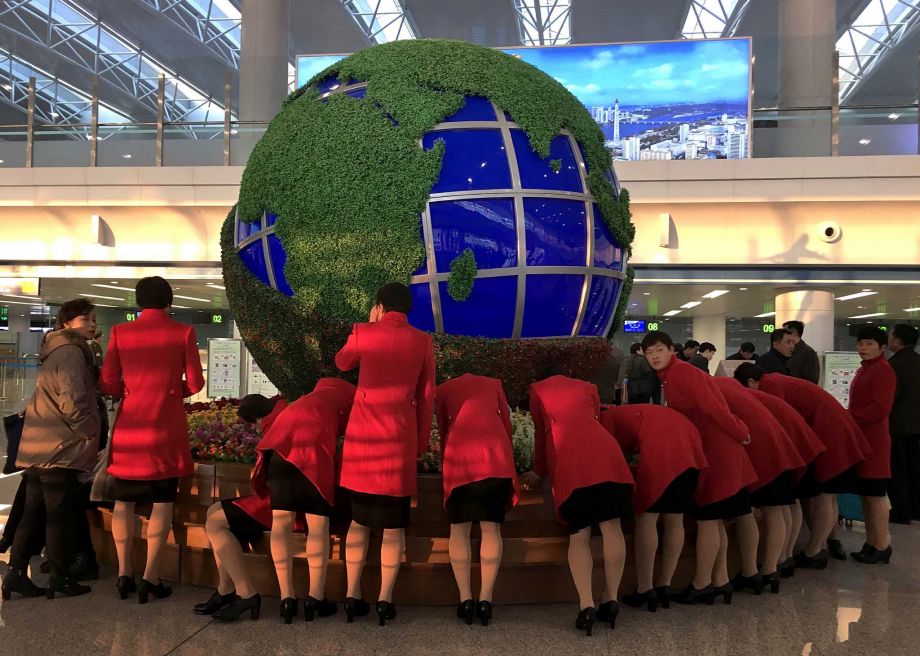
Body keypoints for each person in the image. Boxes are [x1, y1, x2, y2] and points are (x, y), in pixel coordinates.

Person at [100, 276, 205, 604]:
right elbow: (197, 381)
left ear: (138, 301)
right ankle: (150, 577)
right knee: (162, 502)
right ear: (169, 302)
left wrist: (128, 394)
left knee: (123, 502)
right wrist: (173, 393)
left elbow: (108, 380)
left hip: (131, 428)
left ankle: (123, 573)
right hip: (165, 429)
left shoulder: (119, 332)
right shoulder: (183, 332)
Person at [335, 282, 435, 626]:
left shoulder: (364, 332)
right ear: (408, 310)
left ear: (379, 306)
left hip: (363, 445)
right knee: (394, 528)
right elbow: (426, 397)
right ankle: (385, 600)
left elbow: (342, 362)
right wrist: (419, 445)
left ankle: (351, 596)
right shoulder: (422, 341)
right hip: (398, 443)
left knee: (358, 523)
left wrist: (366, 324)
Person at [641, 331, 756, 607]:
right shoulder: (668, 376)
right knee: (714, 518)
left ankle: (702, 583)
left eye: (659, 350)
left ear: (672, 350)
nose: (654, 356)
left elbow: (715, 408)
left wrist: (740, 432)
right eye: (649, 353)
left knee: (707, 517)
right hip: (708, 447)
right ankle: (720, 580)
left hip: (718, 448)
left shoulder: (683, 373)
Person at [2, 299, 101, 600]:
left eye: (94, 319)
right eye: (86, 319)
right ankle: (59, 576)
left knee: (32, 513)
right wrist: (88, 433)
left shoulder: (54, 349)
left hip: (40, 443)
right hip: (59, 446)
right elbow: (73, 400)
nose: (92, 324)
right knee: (58, 514)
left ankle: (16, 574)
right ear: (68, 323)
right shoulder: (71, 352)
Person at [522, 372, 634, 636]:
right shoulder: (589, 386)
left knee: (579, 536)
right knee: (612, 527)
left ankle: (586, 606)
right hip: (606, 454)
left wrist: (539, 469)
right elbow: (596, 418)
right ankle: (611, 598)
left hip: (571, 459)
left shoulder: (537, 389)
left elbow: (540, 434)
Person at [734, 363, 869, 570]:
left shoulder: (771, 384)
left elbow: (778, 421)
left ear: (751, 382)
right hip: (833, 429)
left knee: (824, 496)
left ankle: (814, 550)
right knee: (828, 497)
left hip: (829, 432)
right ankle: (820, 546)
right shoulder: (777, 378)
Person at [253, 378, 355, 623]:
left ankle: (286, 598)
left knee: (280, 525)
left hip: (278, 456)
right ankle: (315, 597)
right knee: (318, 528)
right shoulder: (350, 399)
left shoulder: (307, 397)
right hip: (311, 458)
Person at [192, 393, 290, 621]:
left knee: (216, 523)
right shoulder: (281, 416)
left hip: (281, 506)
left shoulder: (273, 428)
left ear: (255, 419)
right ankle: (225, 588)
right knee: (213, 511)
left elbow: (264, 476)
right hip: (279, 500)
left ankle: (246, 592)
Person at [600, 404, 706, 612]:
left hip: (661, 450)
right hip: (690, 448)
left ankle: (645, 588)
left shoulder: (606, 417)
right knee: (675, 518)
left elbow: (610, 452)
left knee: (647, 517)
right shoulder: (633, 410)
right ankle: (665, 584)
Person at [436, 374, 518, 626]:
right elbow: (506, 423)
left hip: (460, 460)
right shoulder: (494, 384)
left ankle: (465, 600)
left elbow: (443, 428)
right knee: (491, 529)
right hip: (494, 457)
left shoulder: (444, 389)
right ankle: (485, 601)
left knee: (458, 531)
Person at [712, 377, 805, 595]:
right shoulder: (741, 393)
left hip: (760, 455)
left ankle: (751, 571)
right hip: (781, 449)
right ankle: (775, 566)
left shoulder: (715, 394)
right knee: (779, 509)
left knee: (747, 513)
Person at [740, 387, 826, 578]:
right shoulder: (756, 395)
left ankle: (771, 566)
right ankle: (783, 558)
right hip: (791, 446)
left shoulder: (731, 394)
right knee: (787, 504)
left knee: (774, 509)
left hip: (774, 452)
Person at [847, 325, 896, 564]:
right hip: (862, 440)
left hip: (875, 442)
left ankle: (881, 544)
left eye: (869, 344)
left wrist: (850, 418)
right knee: (866, 496)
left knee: (876, 497)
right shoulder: (865, 370)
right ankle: (871, 541)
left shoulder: (883, 371)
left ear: (882, 347)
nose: (863, 348)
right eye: (860, 343)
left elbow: (880, 408)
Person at [887, 324, 920, 524]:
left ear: (898, 340)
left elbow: (890, 398)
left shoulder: (895, 365)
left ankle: (901, 511)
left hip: (897, 427)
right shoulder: (917, 361)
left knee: (897, 470)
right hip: (916, 427)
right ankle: (916, 508)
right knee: (914, 468)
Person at [590, 340, 625, 405]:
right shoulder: (613, 358)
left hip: (593, 392)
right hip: (608, 392)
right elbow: (619, 372)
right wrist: (618, 382)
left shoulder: (592, 358)